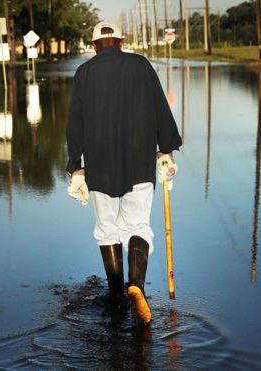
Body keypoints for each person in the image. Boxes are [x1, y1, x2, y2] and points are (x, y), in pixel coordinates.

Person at [65, 21, 182, 325]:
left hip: (100, 165)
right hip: (138, 163)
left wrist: (75, 165)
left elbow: (75, 124)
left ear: (94, 46)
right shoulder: (141, 66)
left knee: (107, 227)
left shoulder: (84, 73)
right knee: (138, 225)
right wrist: (166, 149)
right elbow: (160, 107)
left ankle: (116, 293)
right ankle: (136, 286)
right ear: (120, 41)